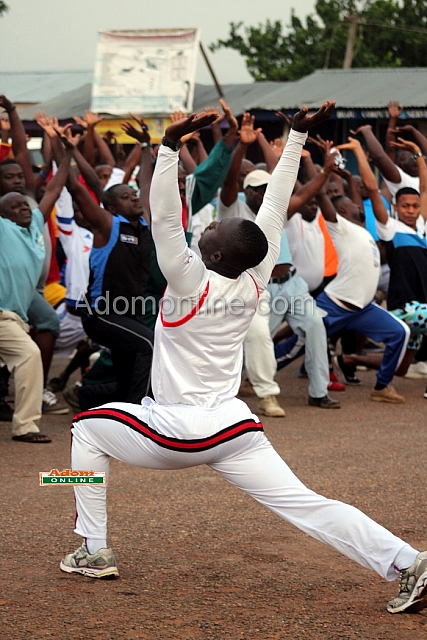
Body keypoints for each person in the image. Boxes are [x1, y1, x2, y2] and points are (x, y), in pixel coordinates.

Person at [59, 104, 427, 616]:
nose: (206, 231)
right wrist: (296, 135)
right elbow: (273, 208)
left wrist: (167, 147)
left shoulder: (188, 280)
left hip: (177, 429)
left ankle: (92, 548)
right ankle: (410, 562)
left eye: (211, 234)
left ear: (212, 257)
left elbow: (165, 215)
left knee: (85, 429)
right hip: (234, 430)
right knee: (307, 505)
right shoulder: (252, 280)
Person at [314, 141, 410, 403]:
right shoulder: (339, 226)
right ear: (343, 210)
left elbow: (356, 200)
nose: (360, 206)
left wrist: (348, 179)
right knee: (295, 344)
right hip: (334, 304)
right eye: (353, 204)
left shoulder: (361, 228)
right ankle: (254, 378)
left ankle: (382, 387)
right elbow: (323, 197)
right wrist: (326, 166)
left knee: (400, 333)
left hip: (363, 308)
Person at [0, 138, 74, 442]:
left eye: (24, 204)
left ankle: (25, 424)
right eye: (15, 206)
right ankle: (26, 425)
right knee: (29, 353)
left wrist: (67, 154)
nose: (23, 208)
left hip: (13, 318)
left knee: (29, 351)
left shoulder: (32, 228)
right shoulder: (2, 228)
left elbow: (54, 189)